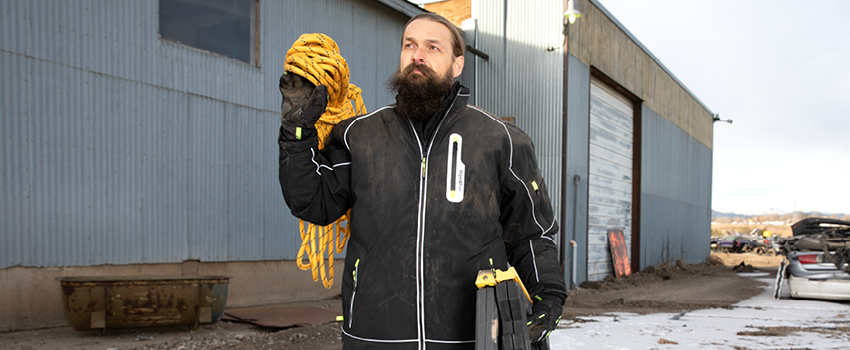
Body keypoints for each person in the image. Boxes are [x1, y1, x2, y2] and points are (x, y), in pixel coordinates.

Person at [278, 13, 567, 350]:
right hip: (374, 336)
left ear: (457, 64)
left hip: (470, 337)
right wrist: (296, 135)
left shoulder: (499, 139)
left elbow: (531, 233)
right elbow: (313, 203)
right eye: (409, 45)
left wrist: (548, 296)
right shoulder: (360, 135)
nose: (418, 55)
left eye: (433, 47)